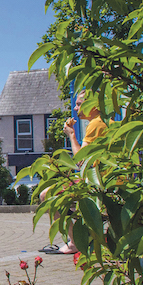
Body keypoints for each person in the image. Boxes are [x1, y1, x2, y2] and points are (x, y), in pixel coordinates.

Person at [41, 91, 108, 255]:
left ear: (92, 105)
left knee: (46, 195)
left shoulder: (95, 124)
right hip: (104, 178)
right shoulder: (105, 121)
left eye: (79, 104)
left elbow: (80, 161)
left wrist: (71, 135)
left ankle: (75, 242)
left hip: (97, 181)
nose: (75, 107)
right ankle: (85, 234)